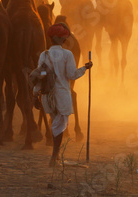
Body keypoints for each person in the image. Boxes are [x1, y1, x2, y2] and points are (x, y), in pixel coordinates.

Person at [34, 22, 93, 167]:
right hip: (62, 95)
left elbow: (39, 76)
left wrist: (35, 95)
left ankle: (56, 155)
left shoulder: (44, 55)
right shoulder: (68, 54)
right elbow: (72, 75)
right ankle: (54, 156)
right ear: (63, 40)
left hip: (48, 97)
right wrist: (85, 68)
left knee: (55, 123)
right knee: (59, 126)